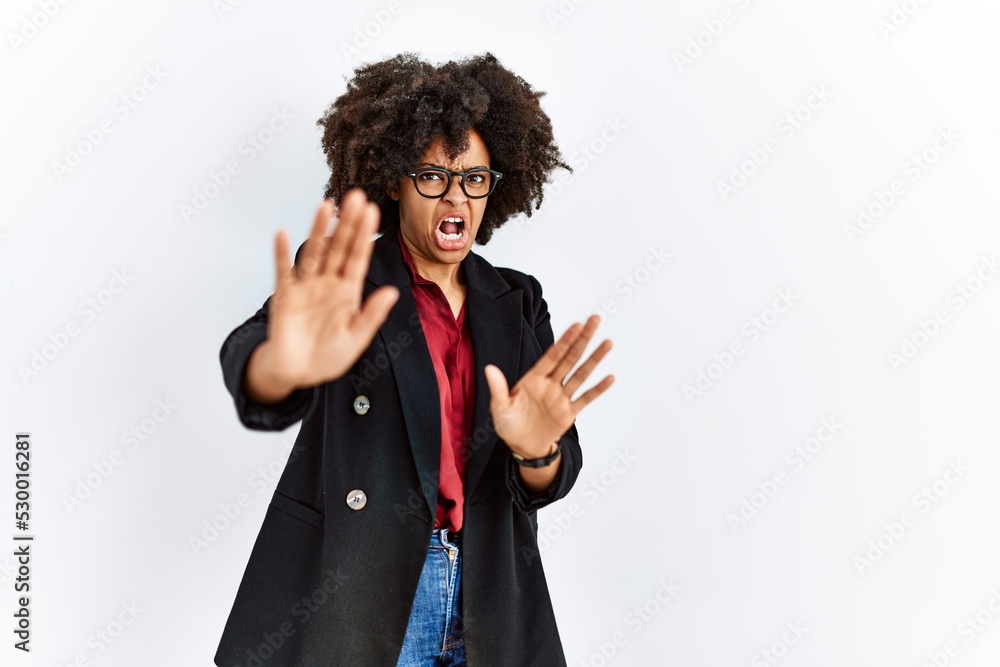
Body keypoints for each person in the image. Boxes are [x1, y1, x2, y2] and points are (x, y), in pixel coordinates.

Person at [213, 52, 614, 667]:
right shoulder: (343, 278)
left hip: (488, 597)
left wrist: (537, 450)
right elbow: (255, 368)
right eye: (433, 176)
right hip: (362, 590)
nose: (456, 196)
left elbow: (549, 478)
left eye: (474, 179)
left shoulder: (518, 299)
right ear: (392, 182)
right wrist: (284, 367)